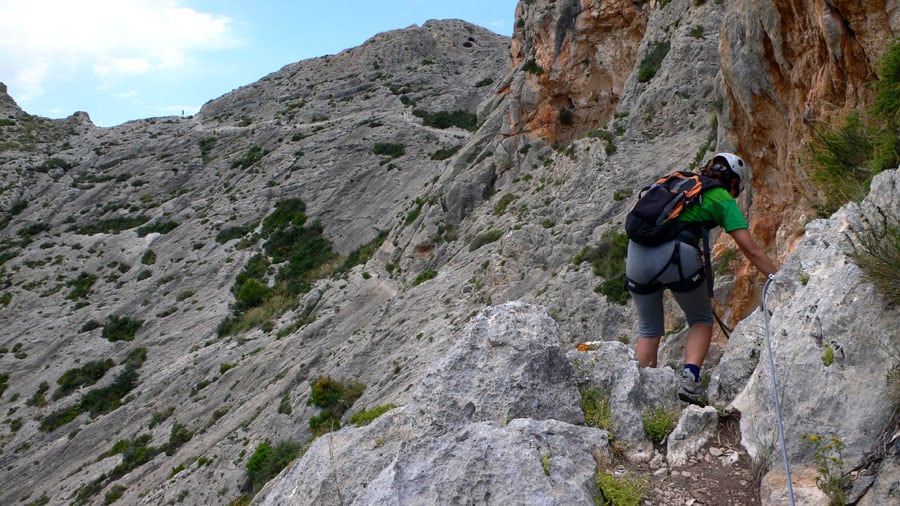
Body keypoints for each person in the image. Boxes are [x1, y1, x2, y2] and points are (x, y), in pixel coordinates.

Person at [624, 152, 778, 405]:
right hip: (677, 256)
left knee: (649, 329)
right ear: (734, 182)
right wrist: (778, 277)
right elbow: (750, 249)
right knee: (701, 318)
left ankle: (640, 393)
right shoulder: (722, 198)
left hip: (637, 254)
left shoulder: (679, 182)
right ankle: (690, 379)